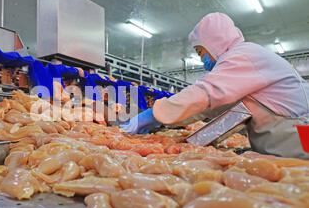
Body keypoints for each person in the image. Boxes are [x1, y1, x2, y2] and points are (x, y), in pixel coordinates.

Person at [121, 12, 309, 159]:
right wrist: (163, 119)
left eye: (200, 51)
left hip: (296, 138)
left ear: (215, 43)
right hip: (291, 136)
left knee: (299, 190)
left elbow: (204, 94)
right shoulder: (241, 61)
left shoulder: (243, 56)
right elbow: (211, 108)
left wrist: (155, 113)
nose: (201, 58)